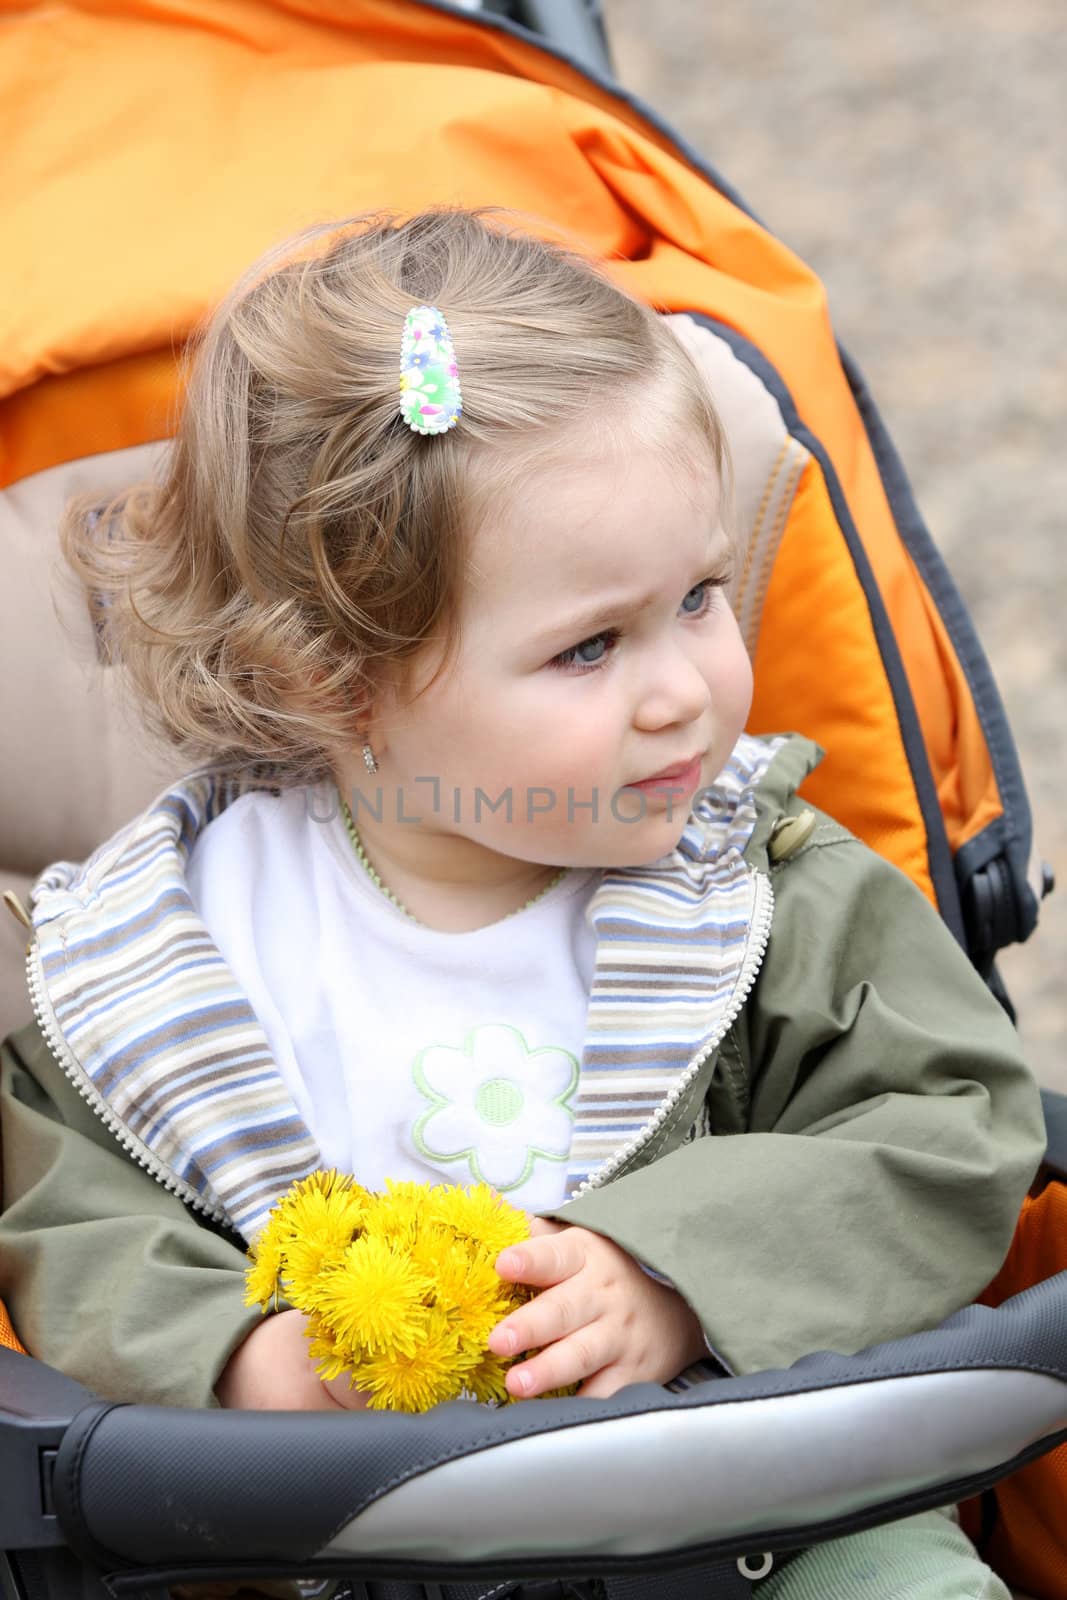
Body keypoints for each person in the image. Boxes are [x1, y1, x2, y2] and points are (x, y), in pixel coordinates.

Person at [0, 208, 1045, 1598]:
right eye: (591, 646)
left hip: (759, 1516)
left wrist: (679, 1275)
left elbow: (955, 1125)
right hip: (336, 1548)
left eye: (698, 598)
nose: (684, 688)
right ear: (339, 682)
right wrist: (234, 1358)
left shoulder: (762, 881)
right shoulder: (166, 951)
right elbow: (66, 1220)